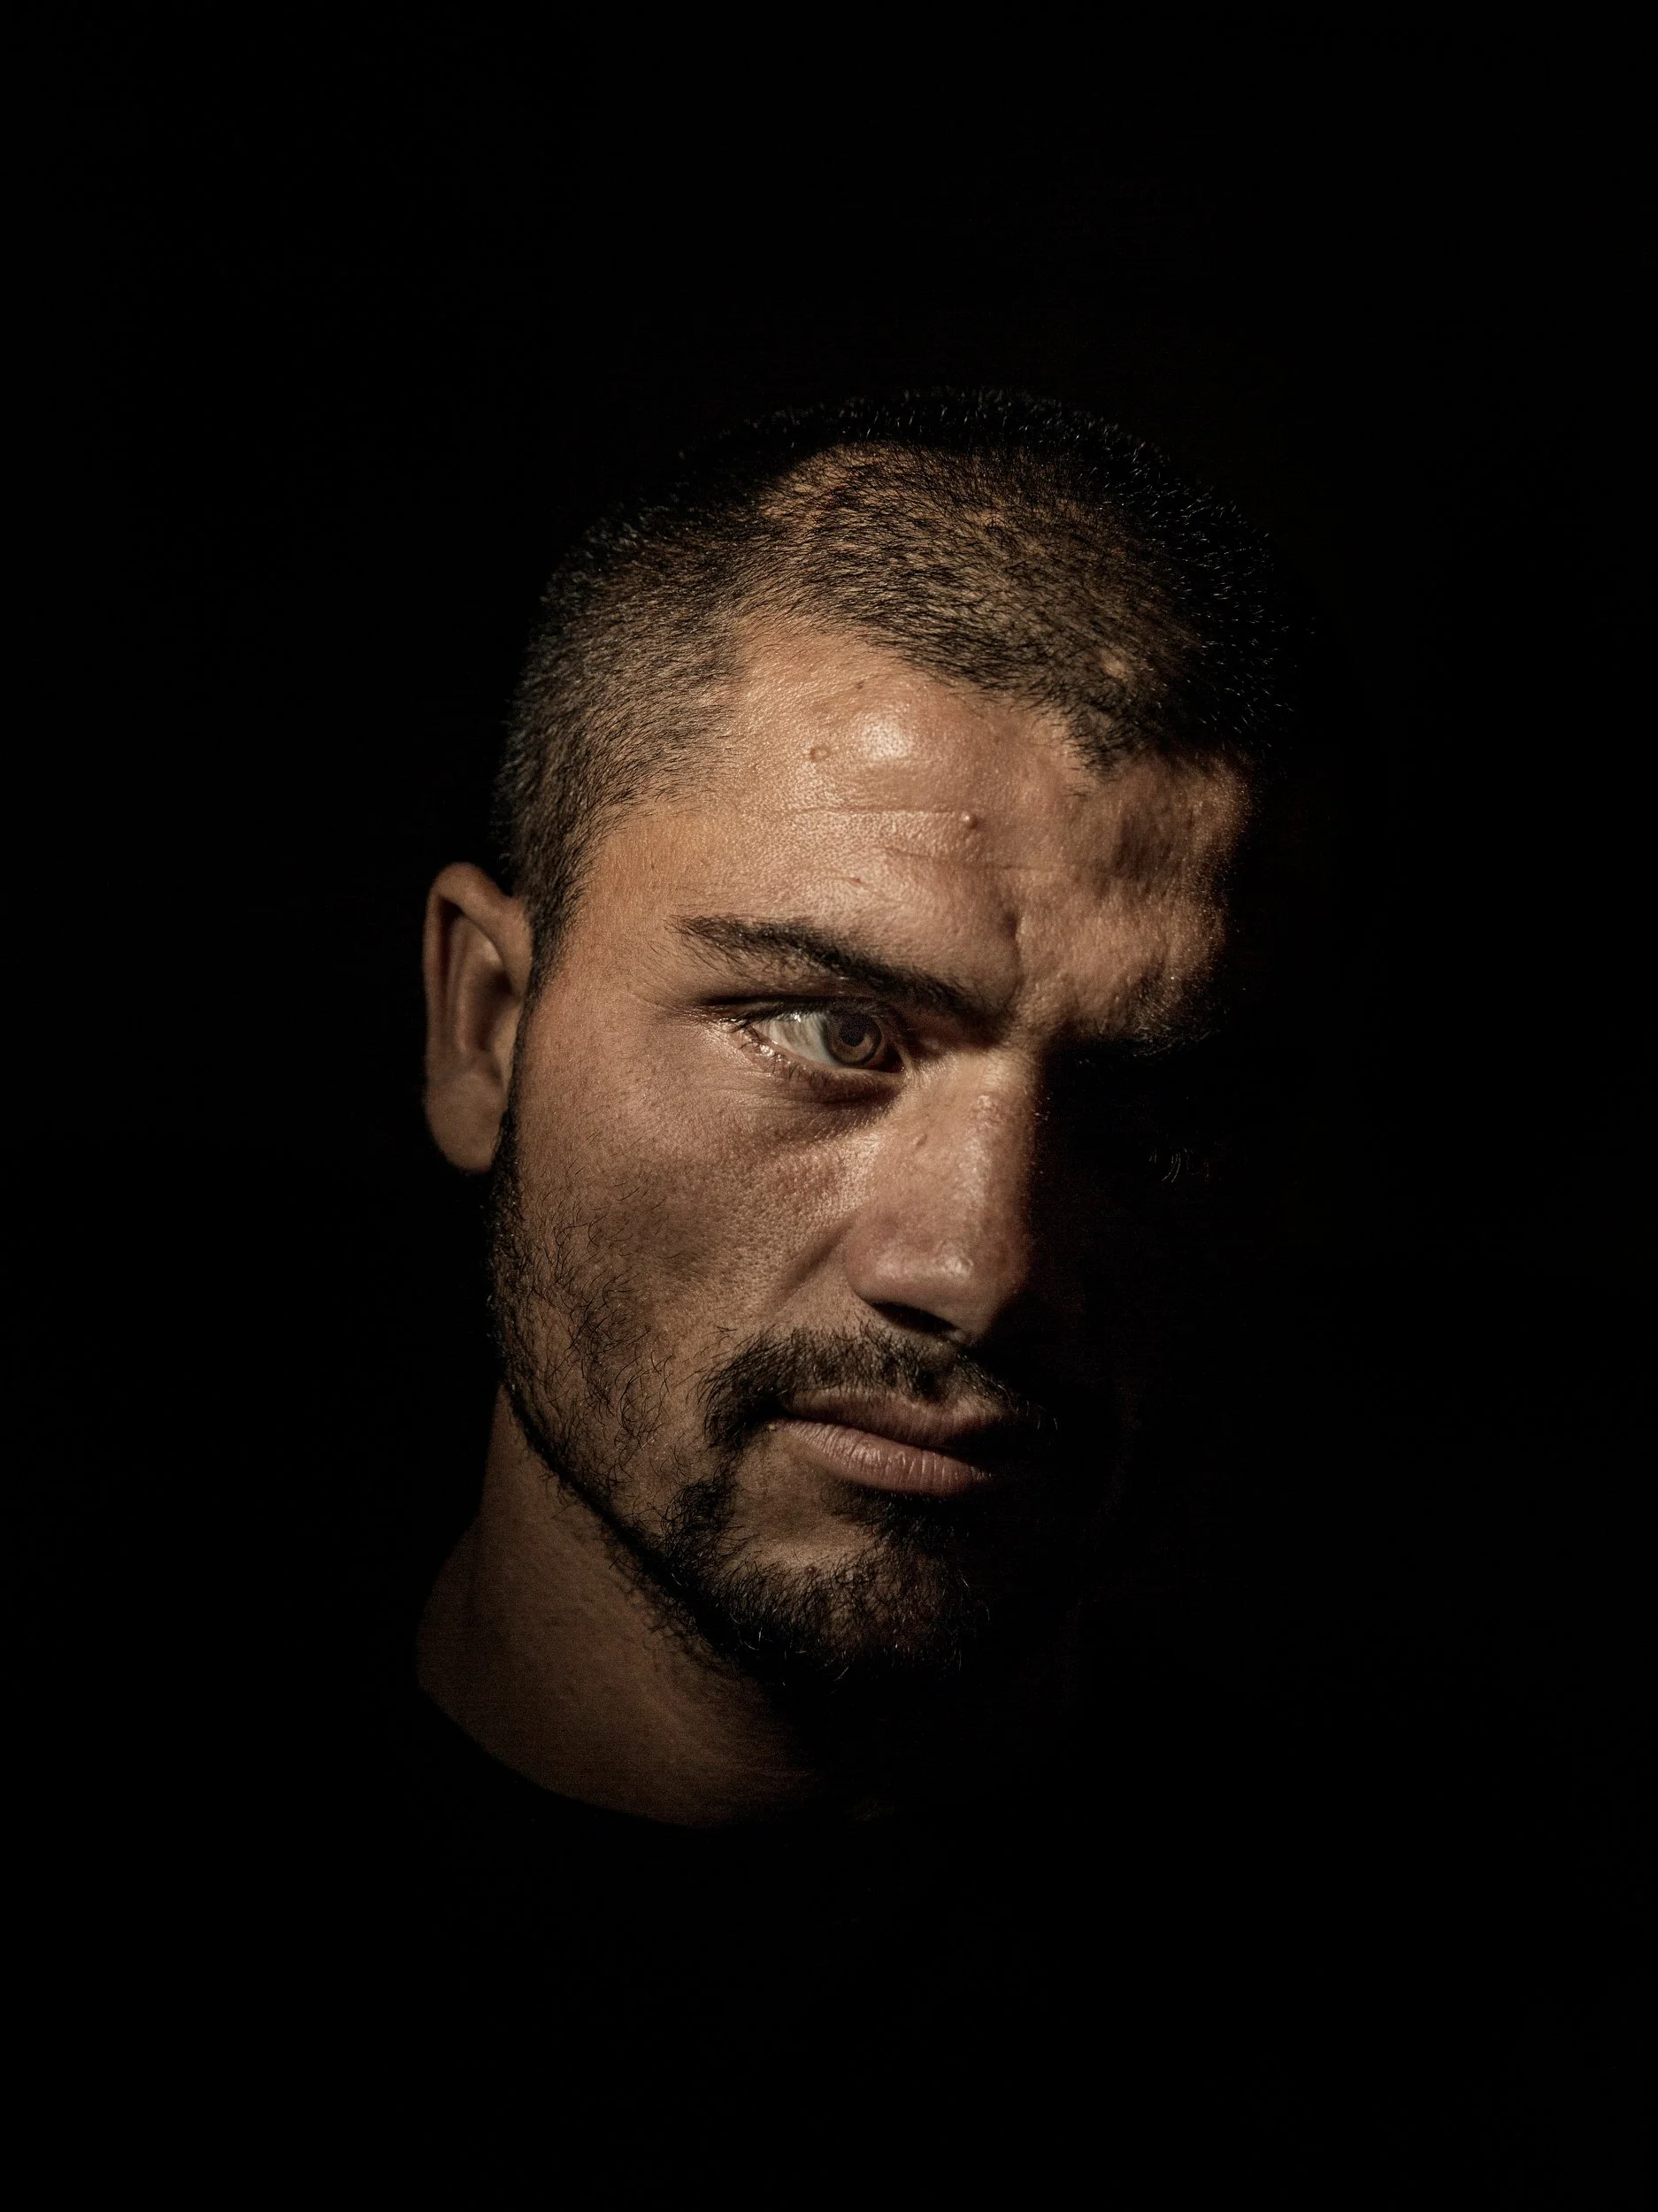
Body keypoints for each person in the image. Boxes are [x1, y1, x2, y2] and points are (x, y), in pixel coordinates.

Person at [332, 396, 1579, 2190]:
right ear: (487, 1029)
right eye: (831, 1032)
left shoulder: (1466, 2061)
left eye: (1159, 1112)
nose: (981, 1269)